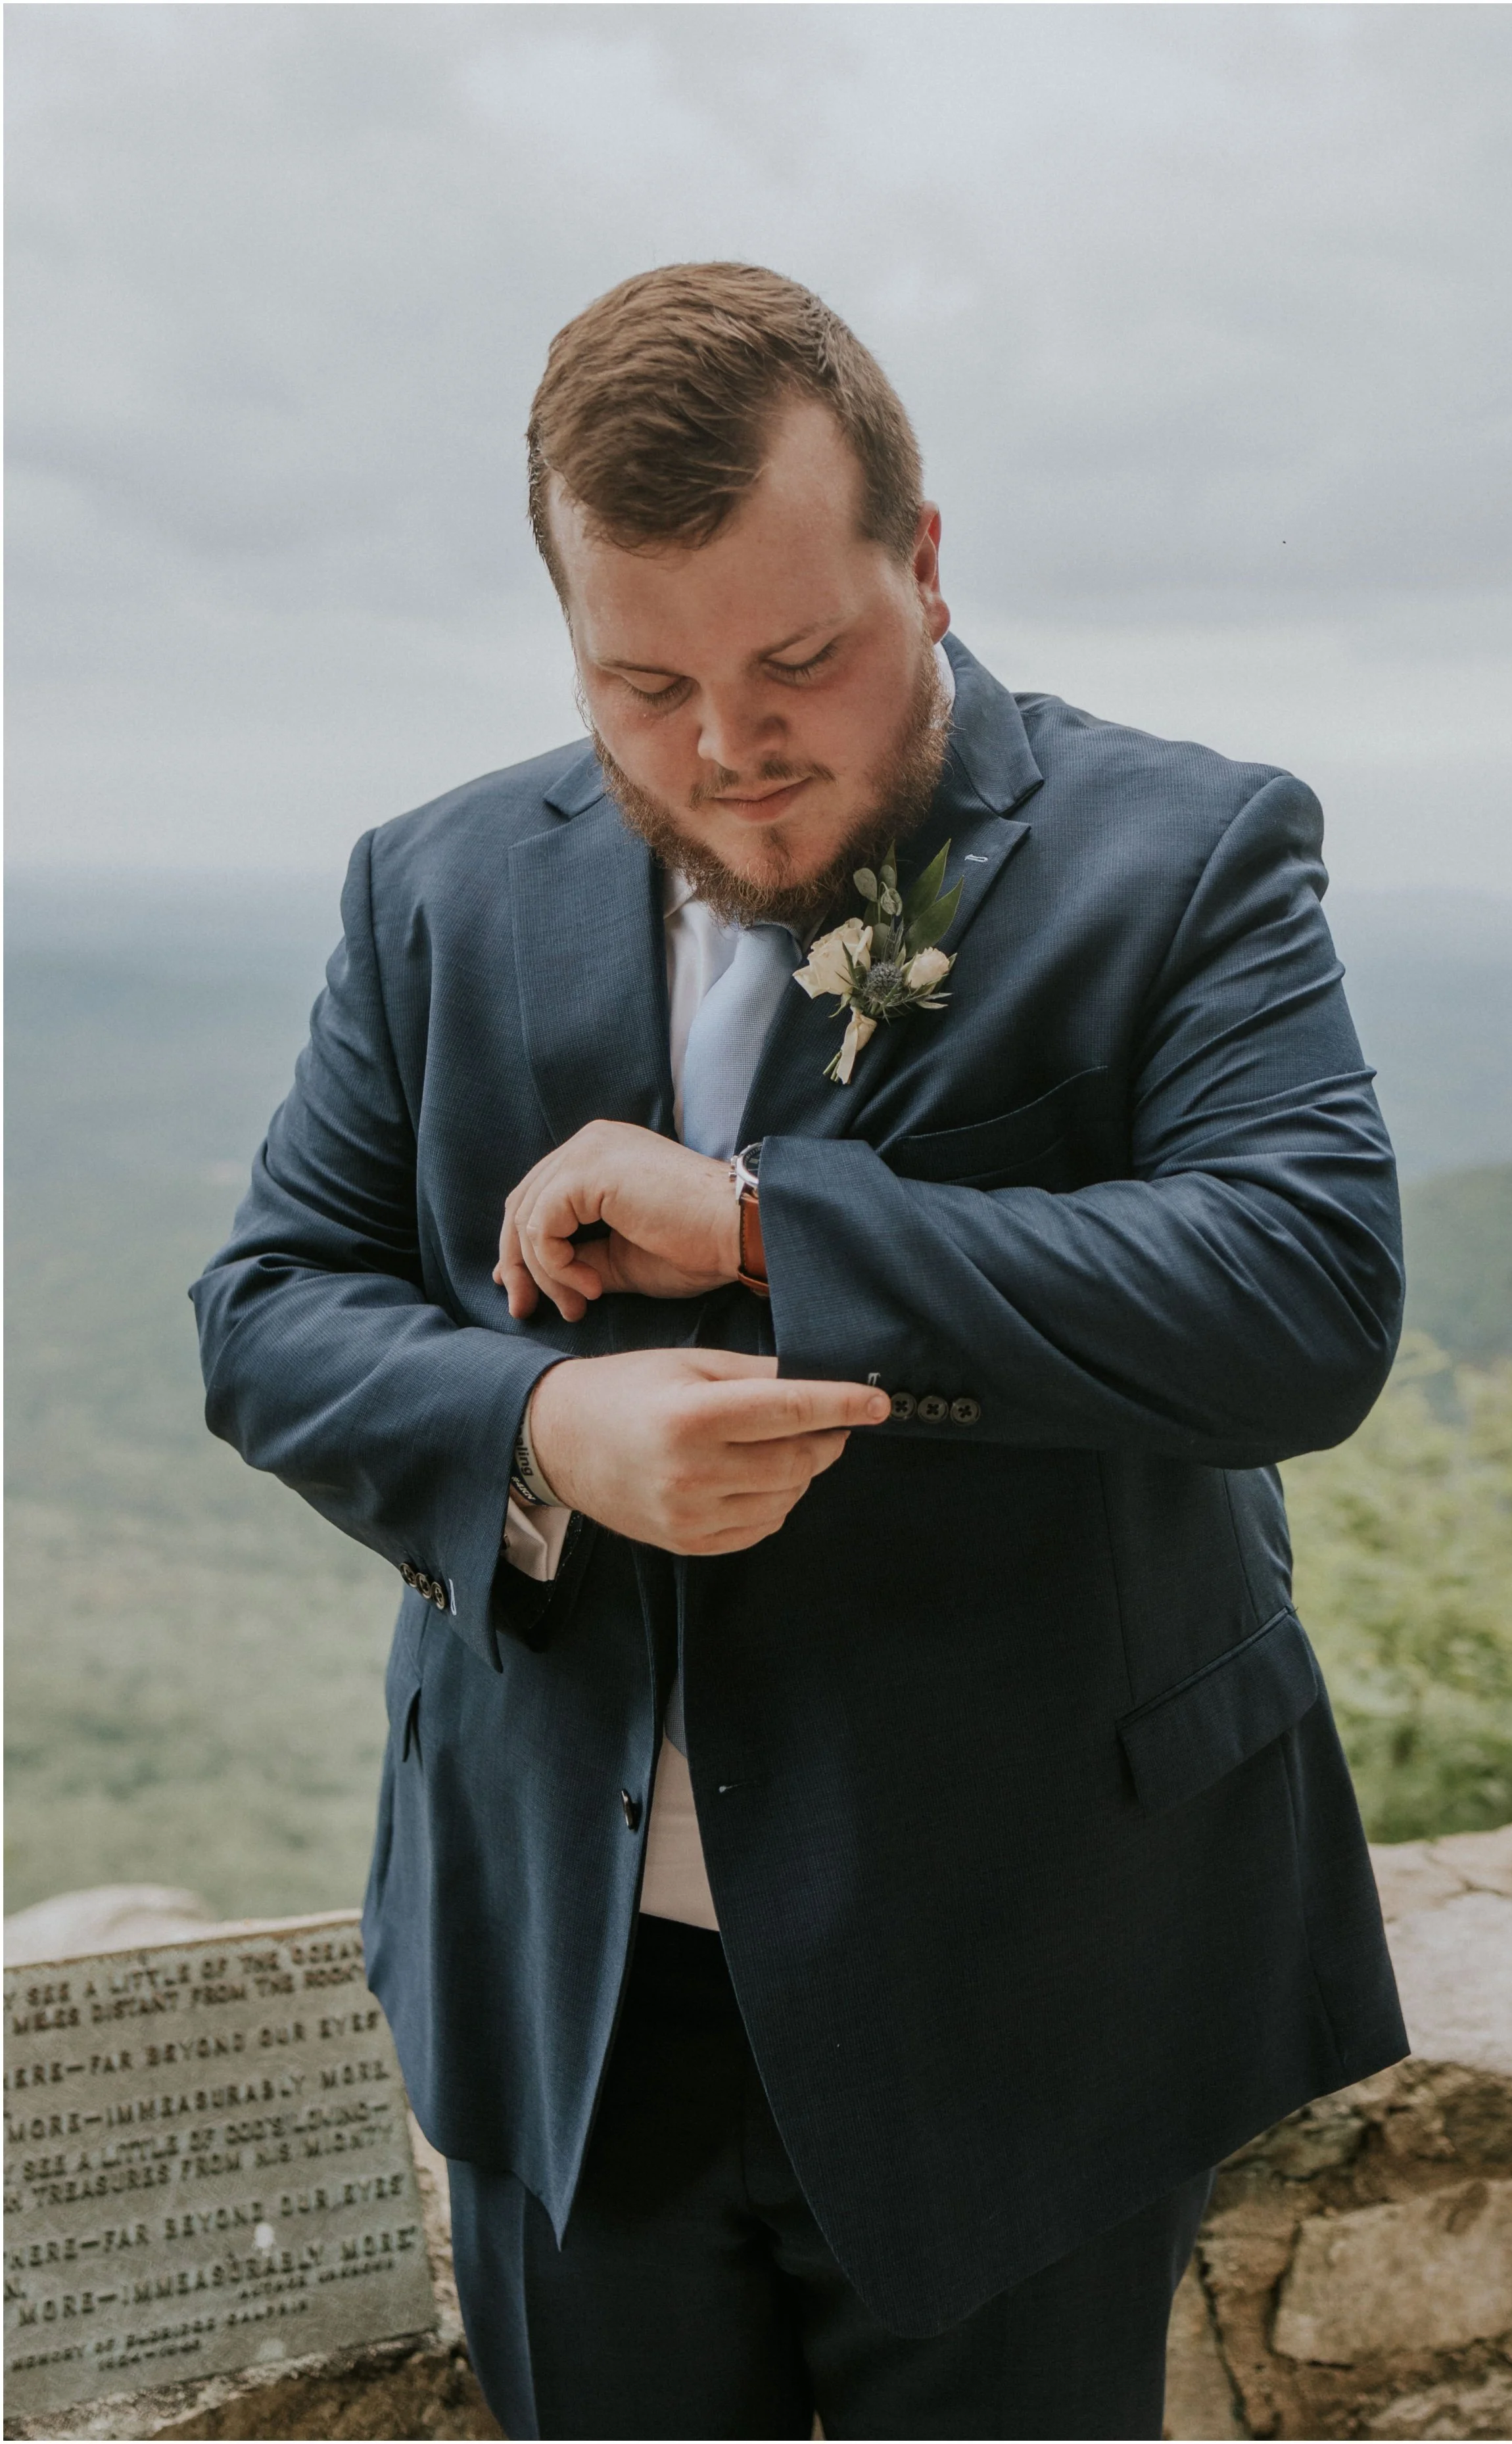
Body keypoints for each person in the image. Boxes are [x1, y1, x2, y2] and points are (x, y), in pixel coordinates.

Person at [192, 262, 1407, 2441]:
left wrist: (771, 1225)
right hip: (565, 2003)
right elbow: (272, 1307)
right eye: (640, 684)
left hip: (1029, 1979)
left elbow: (1302, 1294)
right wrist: (547, 1421)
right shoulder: (434, 885)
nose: (731, 749)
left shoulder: (1190, 852)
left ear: (923, 567)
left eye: (799, 660)